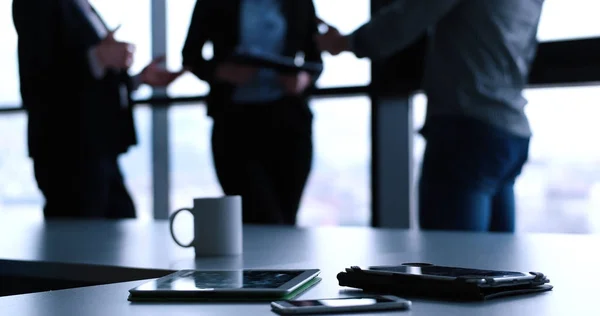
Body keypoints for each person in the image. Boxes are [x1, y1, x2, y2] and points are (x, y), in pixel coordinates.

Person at [316, 0, 544, 232]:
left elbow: (407, 18)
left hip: (466, 128)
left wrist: (345, 42)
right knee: (498, 261)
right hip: (511, 130)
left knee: (451, 262)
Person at [12, 0, 182, 219]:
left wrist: (137, 80)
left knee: (117, 225)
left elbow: (89, 86)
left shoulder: (78, 6)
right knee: (79, 238)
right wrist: (98, 58)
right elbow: (37, 80)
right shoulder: (38, 5)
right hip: (67, 154)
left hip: (99, 149)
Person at [182, 0, 323, 225]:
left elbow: (315, 59)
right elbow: (190, 56)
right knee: (258, 217)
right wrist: (222, 71)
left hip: (288, 125)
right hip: (235, 125)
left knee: (286, 221)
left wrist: (302, 79)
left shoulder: (300, 3)